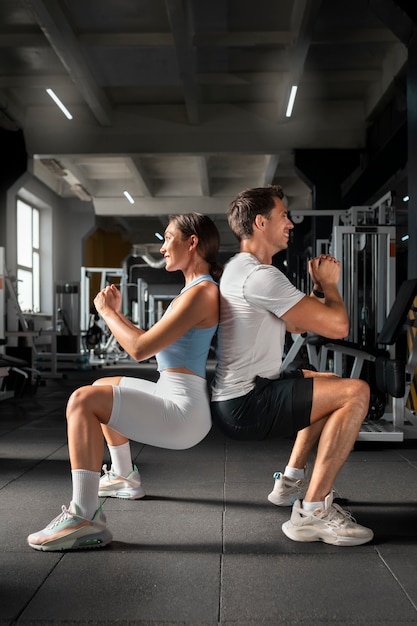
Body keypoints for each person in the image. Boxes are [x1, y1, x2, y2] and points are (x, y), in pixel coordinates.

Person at [28, 213, 222, 551]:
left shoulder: (201, 293)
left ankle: (84, 516)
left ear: (192, 243)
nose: (162, 248)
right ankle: (123, 476)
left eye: (168, 239)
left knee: (81, 401)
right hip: (173, 393)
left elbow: (138, 349)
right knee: (103, 385)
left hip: (183, 412)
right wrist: (117, 315)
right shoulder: (194, 290)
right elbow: (148, 340)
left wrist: (108, 313)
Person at [210, 185, 374, 547]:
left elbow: (298, 324)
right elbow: (338, 327)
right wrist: (331, 286)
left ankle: (290, 484)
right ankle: (312, 512)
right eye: (283, 215)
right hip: (247, 403)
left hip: (242, 394)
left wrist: (316, 290)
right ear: (260, 222)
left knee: (326, 381)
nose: (291, 222)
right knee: (356, 392)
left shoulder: (245, 269)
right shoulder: (260, 276)